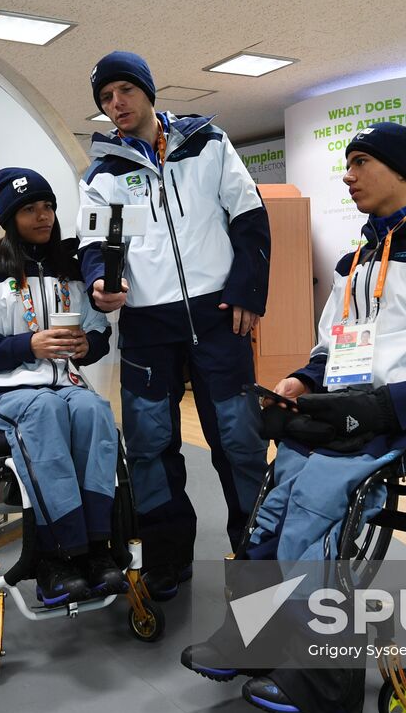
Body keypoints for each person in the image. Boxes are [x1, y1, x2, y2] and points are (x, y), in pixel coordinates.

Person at [180, 123, 406, 713]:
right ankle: (253, 634)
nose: (348, 176)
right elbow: (333, 346)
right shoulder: (356, 261)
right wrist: (303, 381)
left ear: (402, 170)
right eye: (347, 164)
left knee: (315, 506)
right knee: (271, 505)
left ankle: (323, 678)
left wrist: (392, 406)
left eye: (360, 163)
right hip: (345, 407)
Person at [80, 51, 270, 600]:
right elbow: (94, 244)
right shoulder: (104, 174)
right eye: (105, 98)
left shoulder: (210, 144)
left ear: (147, 90)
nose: (116, 104)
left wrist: (247, 292)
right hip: (147, 328)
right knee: (149, 447)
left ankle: (257, 553)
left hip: (217, 320)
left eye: (123, 91)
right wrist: (98, 282)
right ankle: (166, 560)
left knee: (240, 440)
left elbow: (250, 216)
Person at [0, 167, 122, 605]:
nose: (43, 216)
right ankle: (54, 558)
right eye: (29, 209)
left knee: (94, 411)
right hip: (8, 391)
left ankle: (96, 550)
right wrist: (29, 344)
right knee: (45, 412)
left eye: (48, 206)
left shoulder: (72, 270)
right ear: (9, 217)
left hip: (67, 384)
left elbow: (99, 333)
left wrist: (85, 344)